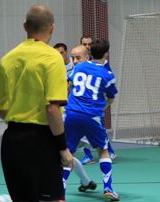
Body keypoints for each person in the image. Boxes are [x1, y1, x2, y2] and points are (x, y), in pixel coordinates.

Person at [0, 4, 73, 202]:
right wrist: (63, 148)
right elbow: (52, 109)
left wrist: (19, 118)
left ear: (24, 26)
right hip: (41, 142)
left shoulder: (8, 59)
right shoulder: (53, 58)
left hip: (12, 141)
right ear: (52, 27)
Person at [63, 39, 120, 201]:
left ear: (90, 53)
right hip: (92, 116)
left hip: (72, 114)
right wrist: (102, 106)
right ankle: (108, 188)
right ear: (106, 53)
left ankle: (60, 193)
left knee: (68, 153)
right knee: (103, 151)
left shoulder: (78, 67)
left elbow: (69, 84)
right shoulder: (107, 75)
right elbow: (111, 98)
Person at [78, 37, 117, 165]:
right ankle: (89, 155)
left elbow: (108, 85)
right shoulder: (82, 62)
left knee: (99, 127)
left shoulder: (104, 65)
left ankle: (108, 152)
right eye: (85, 44)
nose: (87, 46)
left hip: (97, 102)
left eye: (89, 44)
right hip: (84, 102)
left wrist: (104, 103)